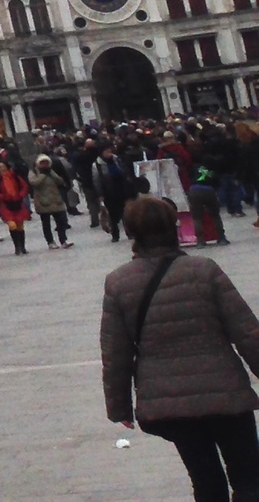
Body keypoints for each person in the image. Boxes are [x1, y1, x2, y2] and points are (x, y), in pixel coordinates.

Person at [103, 195, 259, 502]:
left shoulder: (118, 282)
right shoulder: (205, 270)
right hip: (226, 393)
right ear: (173, 226)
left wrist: (119, 406)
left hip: (170, 403)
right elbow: (247, 331)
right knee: (249, 477)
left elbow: (115, 353)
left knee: (206, 480)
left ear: (132, 232)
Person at [31, 156, 73, 250]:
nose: (44, 165)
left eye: (46, 162)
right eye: (42, 163)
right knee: (46, 224)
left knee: (61, 221)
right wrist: (43, 175)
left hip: (55, 199)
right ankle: (50, 241)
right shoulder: (34, 172)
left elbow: (60, 181)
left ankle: (63, 240)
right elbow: (34, 183)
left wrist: (52, 174)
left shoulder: (51, 171)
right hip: (43, 201)